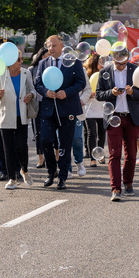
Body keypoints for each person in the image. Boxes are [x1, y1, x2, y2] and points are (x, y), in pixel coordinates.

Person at [94, 43, 139, 201]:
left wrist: (132, 92)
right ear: (113, 58)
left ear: (127, 59)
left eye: (123, 63)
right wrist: (110, 92)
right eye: (117, 63)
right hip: (113, 117)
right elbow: (98, 94)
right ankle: (115, 189)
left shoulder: (134, 71)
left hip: (131, 117)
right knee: (114, 154)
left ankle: (128, 183)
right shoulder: (105, 72)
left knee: (131, 154)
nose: (120, 65)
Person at [33, 35, 87, 190]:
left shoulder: (73, 62)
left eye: (54, 45)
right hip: (48, 110)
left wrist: (67, 92)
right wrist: (45, 92)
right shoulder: (43, 63)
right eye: (49, 46)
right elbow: (37, 83)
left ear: (62, 45)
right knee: (45, 141)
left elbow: (81, 83)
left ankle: (62, 177)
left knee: (65, 145)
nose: (51, 49)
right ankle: (51, 172)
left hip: (67, 110)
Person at [0, 51, 36, 189]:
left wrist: (30, 95)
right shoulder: (0, 74)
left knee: (21, 146)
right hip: (6, 116)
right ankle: (12, 178)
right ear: (10, 60)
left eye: (22, 59)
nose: (21, 61)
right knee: (8, 149)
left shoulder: (25, 73)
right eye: (18, 59)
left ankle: (25, 170)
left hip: (21, 116)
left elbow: (33, 89)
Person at [83, 52, 105, 167]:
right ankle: (92, 158)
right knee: (92, 133)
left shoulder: (105, 74)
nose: (102, 64)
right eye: (100, 62)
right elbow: (81, 89)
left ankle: (100, 155)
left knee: (102, 133)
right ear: (95, 63)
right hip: (89, 107)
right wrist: (87, 94)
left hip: (102, 106)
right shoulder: (86, 75)